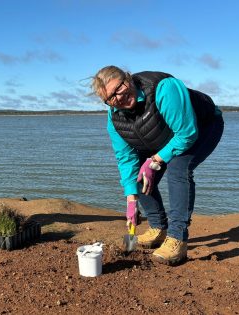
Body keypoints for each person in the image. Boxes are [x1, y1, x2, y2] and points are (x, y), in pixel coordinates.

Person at [91, 66, 224, 265]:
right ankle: (157, 227)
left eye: (119, 87)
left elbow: (187, 134)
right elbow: (125, 158)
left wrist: (154, 161)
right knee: (137, 177)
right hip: (165, 135)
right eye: (110, 98)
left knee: (178, 169)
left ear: (128, 77)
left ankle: (177, 239)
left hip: (202, 126)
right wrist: (131, 200)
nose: (119, 97)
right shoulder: (114, 118)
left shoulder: (163, 89)